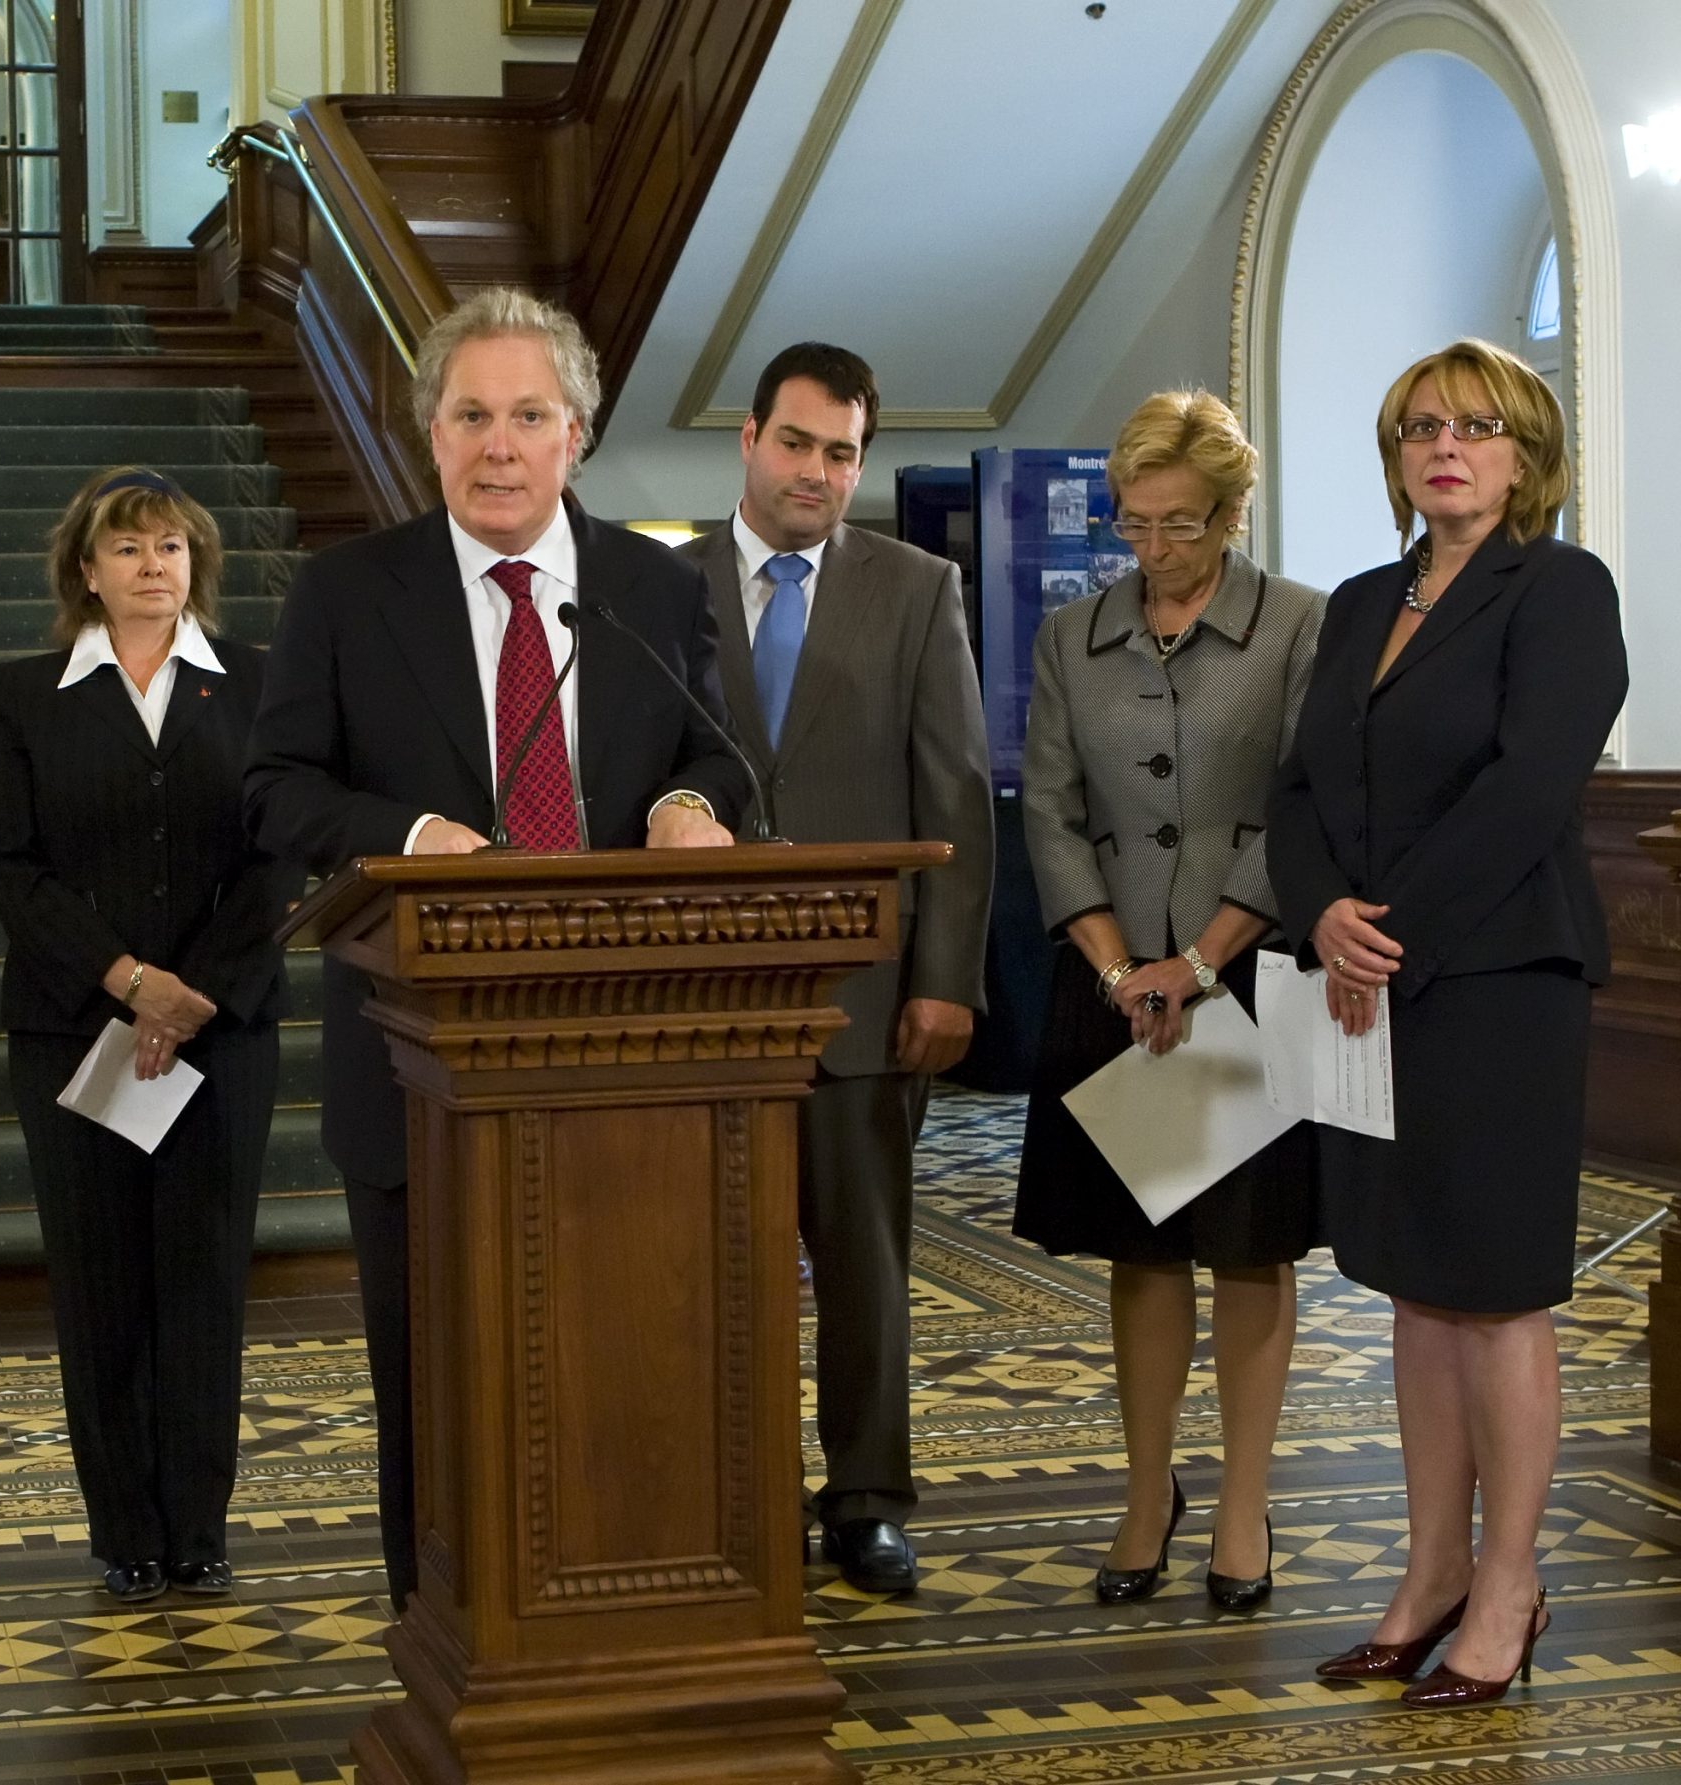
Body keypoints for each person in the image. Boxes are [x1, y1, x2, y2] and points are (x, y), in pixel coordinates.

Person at [244, 288, 745, 1607]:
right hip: (418, 1073)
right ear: (430, 436)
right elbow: (277, 785)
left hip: (636, 1064)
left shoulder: (653, 586)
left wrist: (691, 808)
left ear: (576, 434)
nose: (501, 444)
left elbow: (711, 750)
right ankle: (437, 1625)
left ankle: (622, 1607)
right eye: (473, 415)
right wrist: (410, 831)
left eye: (530, 414)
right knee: (442, 1376)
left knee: (623, 1356)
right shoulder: (350, 595)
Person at [1271, 340, 1624, 1706]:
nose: (1446, 446)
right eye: (1422, 426)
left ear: (1526, 453)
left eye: (1477, 426)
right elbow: (1298, 786)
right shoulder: (1362, 602)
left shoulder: (1560, 588)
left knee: (1495, 1291)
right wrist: (1326, 916)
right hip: (1362, 974)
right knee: (1414, 1287)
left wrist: (1389, 925)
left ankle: (1511, 1585)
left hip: (1494, 977)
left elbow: (1533, 782)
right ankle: (1428, 1576)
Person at [673, 342, 992, 1595]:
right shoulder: (657, 582)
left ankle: (865, 1498)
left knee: (863, 1266)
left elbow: (955, 792)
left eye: (843, 452)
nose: (817, 471)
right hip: (694, 996)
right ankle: (717, 1485)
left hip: (863, 996)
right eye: (797, 443)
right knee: (700, 1263)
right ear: (747, 441)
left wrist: (946, 977)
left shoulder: (917, 589)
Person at [1014, 389, 1324, 1612]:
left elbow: (1300, 806)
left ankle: (1242, 1503)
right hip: (1112, 981)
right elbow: (1048, 810)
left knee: (1248, 1254)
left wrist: (1196, 961)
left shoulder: (1299, 626)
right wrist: (1115, 967)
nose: (1152, 550)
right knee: (1137, 1255)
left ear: (1233, 512)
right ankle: (1149, 1494)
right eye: (1132, 524)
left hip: (1242, 975)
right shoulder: (1067, 636)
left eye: (1180, 525)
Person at [0, 467, 297, 1603]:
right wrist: (126, 982)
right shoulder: (25, 694)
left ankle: (199, 1528)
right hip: (72, 1029)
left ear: (195, 565)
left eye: (170, 546)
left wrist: (189, 992)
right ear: (85, 571)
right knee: (100, 1283)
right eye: (127, 549)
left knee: (204, 1281)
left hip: (224, 1031)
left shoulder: (261, 685)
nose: (152, 565)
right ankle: (125, 1532)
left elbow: (279, 857)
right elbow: (13, 868)